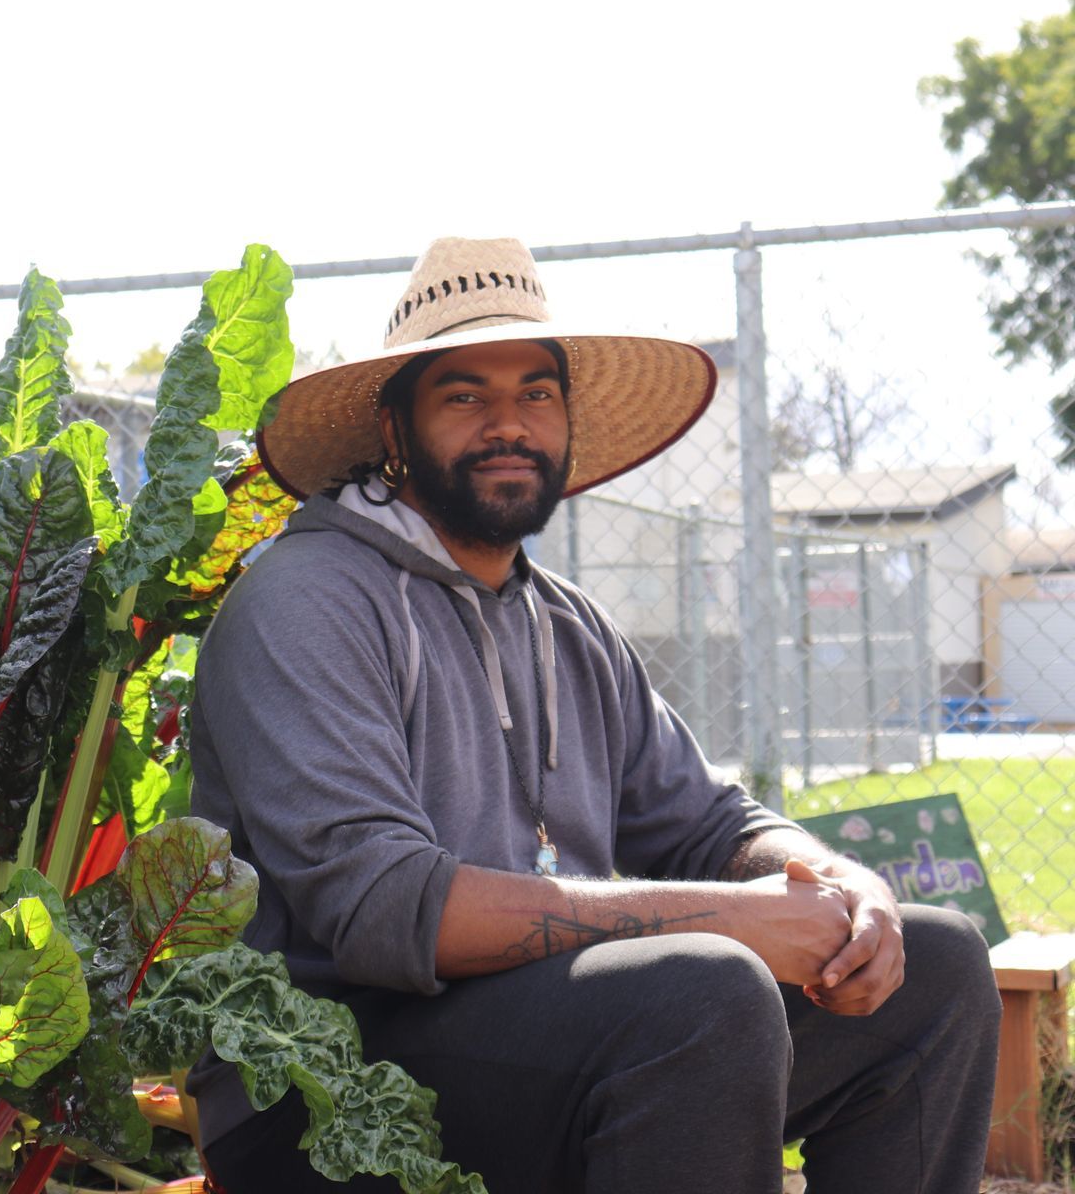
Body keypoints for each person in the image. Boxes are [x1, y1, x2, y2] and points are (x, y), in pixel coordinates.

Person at [185, 236, 1001, 1193]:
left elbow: (708, 824)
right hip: (322, 1086)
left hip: (546, 1039)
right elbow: (384, 911)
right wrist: (732, 921)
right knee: (705, 995)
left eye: (536, 391)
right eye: (463, 394)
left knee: (936, 966)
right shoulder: (308, 601)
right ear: (395, 429)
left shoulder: (568, 624)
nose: (508, 423)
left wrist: (838, 882)